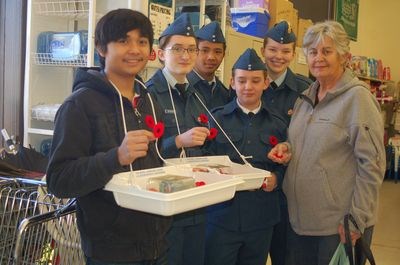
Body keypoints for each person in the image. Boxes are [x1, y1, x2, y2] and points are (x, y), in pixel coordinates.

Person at [46, 9, 171, 265]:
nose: (135, 49)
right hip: (111, 250)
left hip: (157, 243)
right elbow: (59, 180)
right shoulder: (79, 105)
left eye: (142, 41)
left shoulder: (149, 101)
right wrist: (116, 157)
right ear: (102, 49)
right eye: (124, 41)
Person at [268, 21, 385, 265]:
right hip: (300, 222)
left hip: (338, 226)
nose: (318, 58)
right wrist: (287, 148)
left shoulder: (358, 99)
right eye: (312, 52)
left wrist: (356, 219)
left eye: (326, 51)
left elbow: (371, 165)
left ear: (345, 57)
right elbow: (302, 141)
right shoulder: (307, 96)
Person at [204, 48, 287, 265]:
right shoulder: (216, 119)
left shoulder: (278, 124)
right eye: (241, 80)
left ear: (265, 83)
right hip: (222, 217)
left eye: (255, 80)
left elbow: (289, 164)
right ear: (232, 82)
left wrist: (277, 178)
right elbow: (202, 160)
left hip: (261, 219)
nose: (248, 87)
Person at [145, 13, 209, 265]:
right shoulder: (150, 94)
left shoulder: (195, 94)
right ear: (161, 54)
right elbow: (144, 152)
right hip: (165, 206)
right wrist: (178, 142)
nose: (186, 56)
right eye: (178, 49)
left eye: (192, 50)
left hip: (196, 203)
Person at [260, 20, 312, 265]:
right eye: (272, 49)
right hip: (254, 189)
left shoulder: (306, 90)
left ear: (293, 54)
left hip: (288, 192)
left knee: (287, 256)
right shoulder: (249, 82)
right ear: (263, 51)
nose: (278, 56)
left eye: (285, 51)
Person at [188, 21, 235, 110]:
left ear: (223, 55)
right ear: (194, 51)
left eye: (217, 52)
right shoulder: (182, 87)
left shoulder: (224, 94)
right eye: (205, 50)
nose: (211, 57)